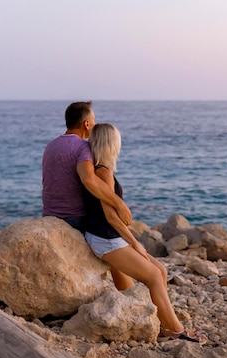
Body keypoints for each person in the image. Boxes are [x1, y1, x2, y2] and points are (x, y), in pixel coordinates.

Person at [84, 123, 206, 344]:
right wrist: (135, 243)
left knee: (159, 270)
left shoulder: (100, 170)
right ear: (111, 144)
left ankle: (162, 324)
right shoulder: (104, 173)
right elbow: (111, 217)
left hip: (110, 236)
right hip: (105, 239)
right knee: (153, 276)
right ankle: (176, 330)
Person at [42, 101, 131, 232]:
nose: (94, 125)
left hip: (48, 214)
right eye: (93, 121)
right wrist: (120, 205)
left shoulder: (51, 145)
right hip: (74, 219)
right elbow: (89, 179)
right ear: (87, 124)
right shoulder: (83, 147)